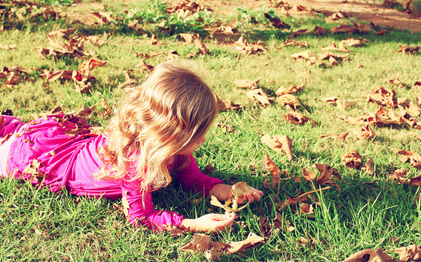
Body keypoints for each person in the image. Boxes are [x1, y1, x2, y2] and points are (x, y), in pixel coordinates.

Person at [0, 61, 263, 233]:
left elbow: (194, 180)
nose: (203, 141)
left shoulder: (172, 149)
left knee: (12, 130)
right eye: (198, 135)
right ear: (170, 133)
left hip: (69, 143)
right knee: (8, 149)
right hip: (47, 159)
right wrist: (192, 224)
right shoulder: (136, 162)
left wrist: (229, 191)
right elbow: (139, 217)